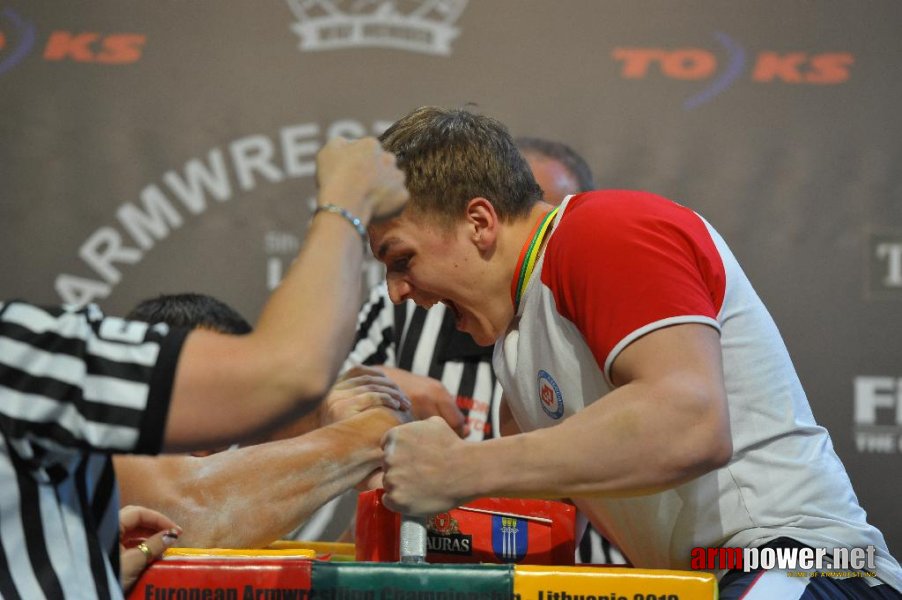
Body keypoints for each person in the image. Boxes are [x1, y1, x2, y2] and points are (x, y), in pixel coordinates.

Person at [367, 107, 902, 598]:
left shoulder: (603, 229)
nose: (396, 291)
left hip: (805, 565)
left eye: (401, 259)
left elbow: (689, 423)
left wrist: (462, 466)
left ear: (479, 223)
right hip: (708, 578)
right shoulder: (516, 346)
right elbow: (534, 529)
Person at [0, 136, 407, 597]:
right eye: (199, 419)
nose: (206, 440)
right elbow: (194, 503)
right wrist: (346, 198)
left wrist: (88, 568)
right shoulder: (16, 350)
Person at [345, 136, 622, 563]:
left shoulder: (601, 284)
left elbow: (687, 423)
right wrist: (362, 391)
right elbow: (292, 407)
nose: (534, 250)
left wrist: (456, 468)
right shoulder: (424, 316)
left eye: (546, 226)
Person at [114, 293, 411, 548]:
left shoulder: (234, 486)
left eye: (234, 404)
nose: (214, 434)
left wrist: (371, 522)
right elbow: (195, 509)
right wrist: (365, 434)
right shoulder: (96, 450)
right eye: (196, 398)